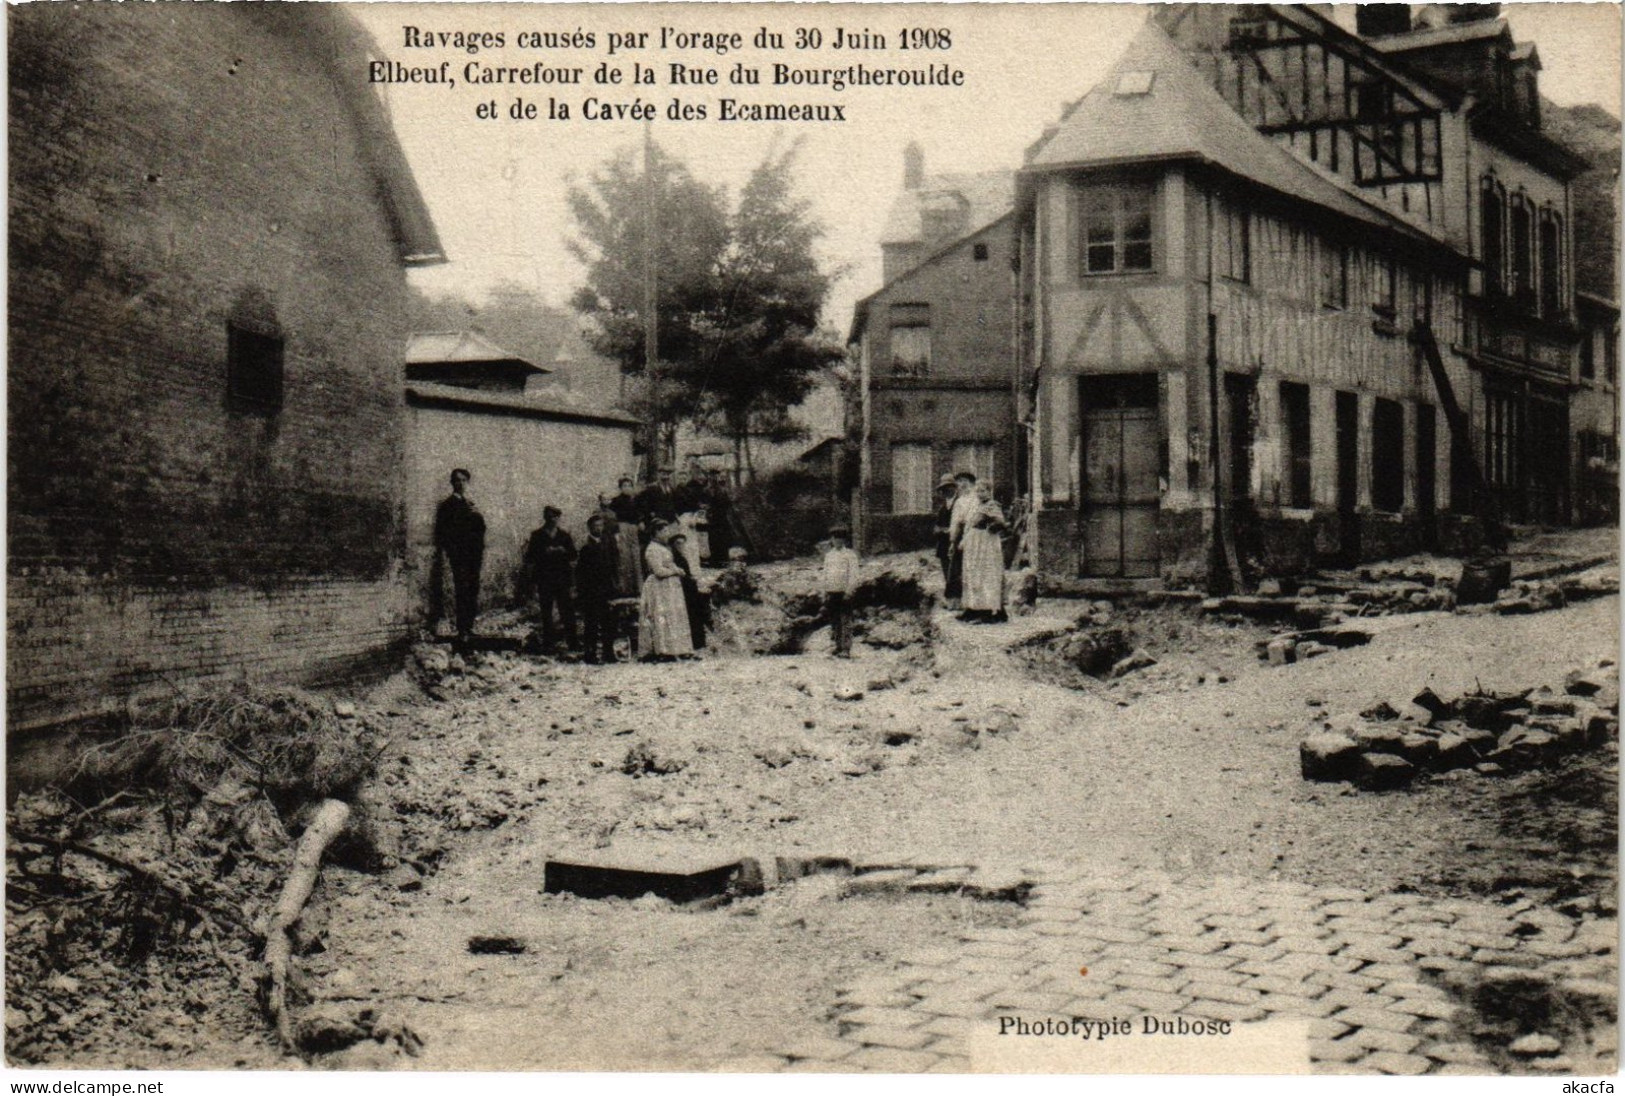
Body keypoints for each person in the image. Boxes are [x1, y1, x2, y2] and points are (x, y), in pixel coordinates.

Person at [433, 468, 486, 649]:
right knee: (462, 591)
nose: (460, 483)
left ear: (467, 483)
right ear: (452, 483)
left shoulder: (471, 504)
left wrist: (476, 514)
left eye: (464, 480)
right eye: (457, 480)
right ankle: (462, 630)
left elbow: (480, 530)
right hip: (460, 557)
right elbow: (443, 533)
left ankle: (469, 627)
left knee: (473, 590)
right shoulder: (447, 506)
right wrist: (453, 552)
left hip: (473, 557)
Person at [522, 505, 577, 650]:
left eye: (557, 517)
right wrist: (544, 552)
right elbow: (530, 557)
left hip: (562, 578)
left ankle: (573, 642)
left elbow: (573, 555)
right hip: (544, 578)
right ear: (545, 518)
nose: (554, 520)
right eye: (551, 517)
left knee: (567, 610)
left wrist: (562, 550)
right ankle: (548, 643)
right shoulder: (537, 535)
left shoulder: (564, 535)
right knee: (546, 611)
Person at [638, 524, 694, 660]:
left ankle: (678, 649)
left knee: (674, 616)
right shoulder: (651, 549)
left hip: (669, 587)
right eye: (664, 531)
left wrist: (678, 569)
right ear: (656, 532)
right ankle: (663, 650)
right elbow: (658, 571)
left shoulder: (663, 548)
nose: (667, 533)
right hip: (659, 587)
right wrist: (675, 571)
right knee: (662, 617)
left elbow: (669, 564)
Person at [960, 484, 1008, 623]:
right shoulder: (977, 506)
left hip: (986, 544)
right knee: (972, 575)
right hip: (975, 544)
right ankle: (972, 609)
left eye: (983, 491)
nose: (980, 494)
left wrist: (991, 527)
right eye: (978, 491)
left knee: (985, 575)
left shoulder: (992, 505)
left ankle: (986, 612)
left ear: (989, 491)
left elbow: (1000, 522)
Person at [576, 512, 619, 664]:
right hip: (592, 591)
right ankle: (590, 654)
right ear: (590, 528)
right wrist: (583, 592)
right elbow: (581, 573)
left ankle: (609, 652)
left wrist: (615, 584)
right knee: (592, 623)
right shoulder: (586, 547)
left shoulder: (607, 544)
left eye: (601, 526)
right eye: (595, 526)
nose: (599, 529)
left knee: (609, 622)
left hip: (606, 588)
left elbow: (614, 565)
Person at [668, 531, 710, 650]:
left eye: (683, 544)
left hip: (689, 589)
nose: (681, 546)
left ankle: (699, 641)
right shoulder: (673, 559)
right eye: (678, 544)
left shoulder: (682, 558)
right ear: (673, 545)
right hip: (681, 590)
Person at [822, 524, 860, 658]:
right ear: (831, 540)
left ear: (844, 540)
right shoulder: (829, 556)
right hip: (832, 591)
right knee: (834, 620)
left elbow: (854, 574)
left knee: (845, 620)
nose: (837, 541)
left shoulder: (850, 555)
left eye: (840, 538)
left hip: (844, 592)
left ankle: (846, 648)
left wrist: (849, 591)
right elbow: (825, 574)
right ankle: (837, 646)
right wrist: (825, 591)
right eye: (835, 538)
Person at [944, 471, 980, 611]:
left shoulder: (977, 499)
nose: (962, 485)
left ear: (972, 484)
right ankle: (956, 602)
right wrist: (953, 542)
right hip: (960, 534)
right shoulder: (959, 501)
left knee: (974, 567)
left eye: (965, 482)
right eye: (959, 482)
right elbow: (955, 523)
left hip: (975, 534)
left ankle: (976, 603)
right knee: (956, 568)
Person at [637, 467, 681, 534]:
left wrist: (675, 516)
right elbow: (641, 503)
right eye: (663, 474)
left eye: (668, 475)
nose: (666, 477)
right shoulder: (651, 488)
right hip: (656, 520)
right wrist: (641, 520)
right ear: (658, 475)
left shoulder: (671, 489)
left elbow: (675, 503)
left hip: (670, 520)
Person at [932, 473, 957, 585]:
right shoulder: (942, 508)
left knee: (956, 576)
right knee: (946, 576)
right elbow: (936, 527)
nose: (945, 491)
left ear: (954, 488)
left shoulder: (960, 504)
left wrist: (948, 530)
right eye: (943, 489)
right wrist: (940, 530)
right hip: (943, 545)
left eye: (948, 487)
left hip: (956, 544)